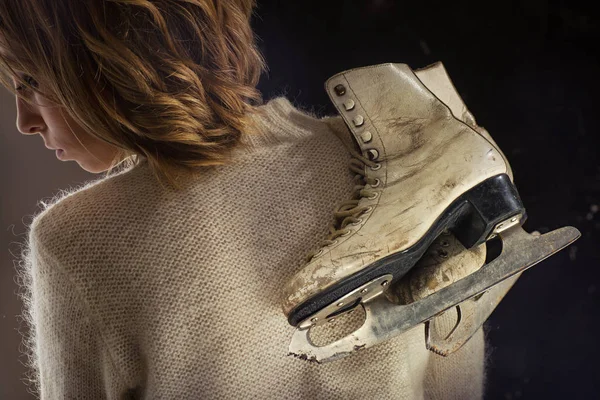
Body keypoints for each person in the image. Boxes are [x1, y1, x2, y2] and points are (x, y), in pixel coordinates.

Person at [1, 0, 485, 398]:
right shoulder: (411, 162)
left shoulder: (77, 240)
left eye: (30, 82)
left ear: (101, 60)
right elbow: (454, 384)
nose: (25, 120)